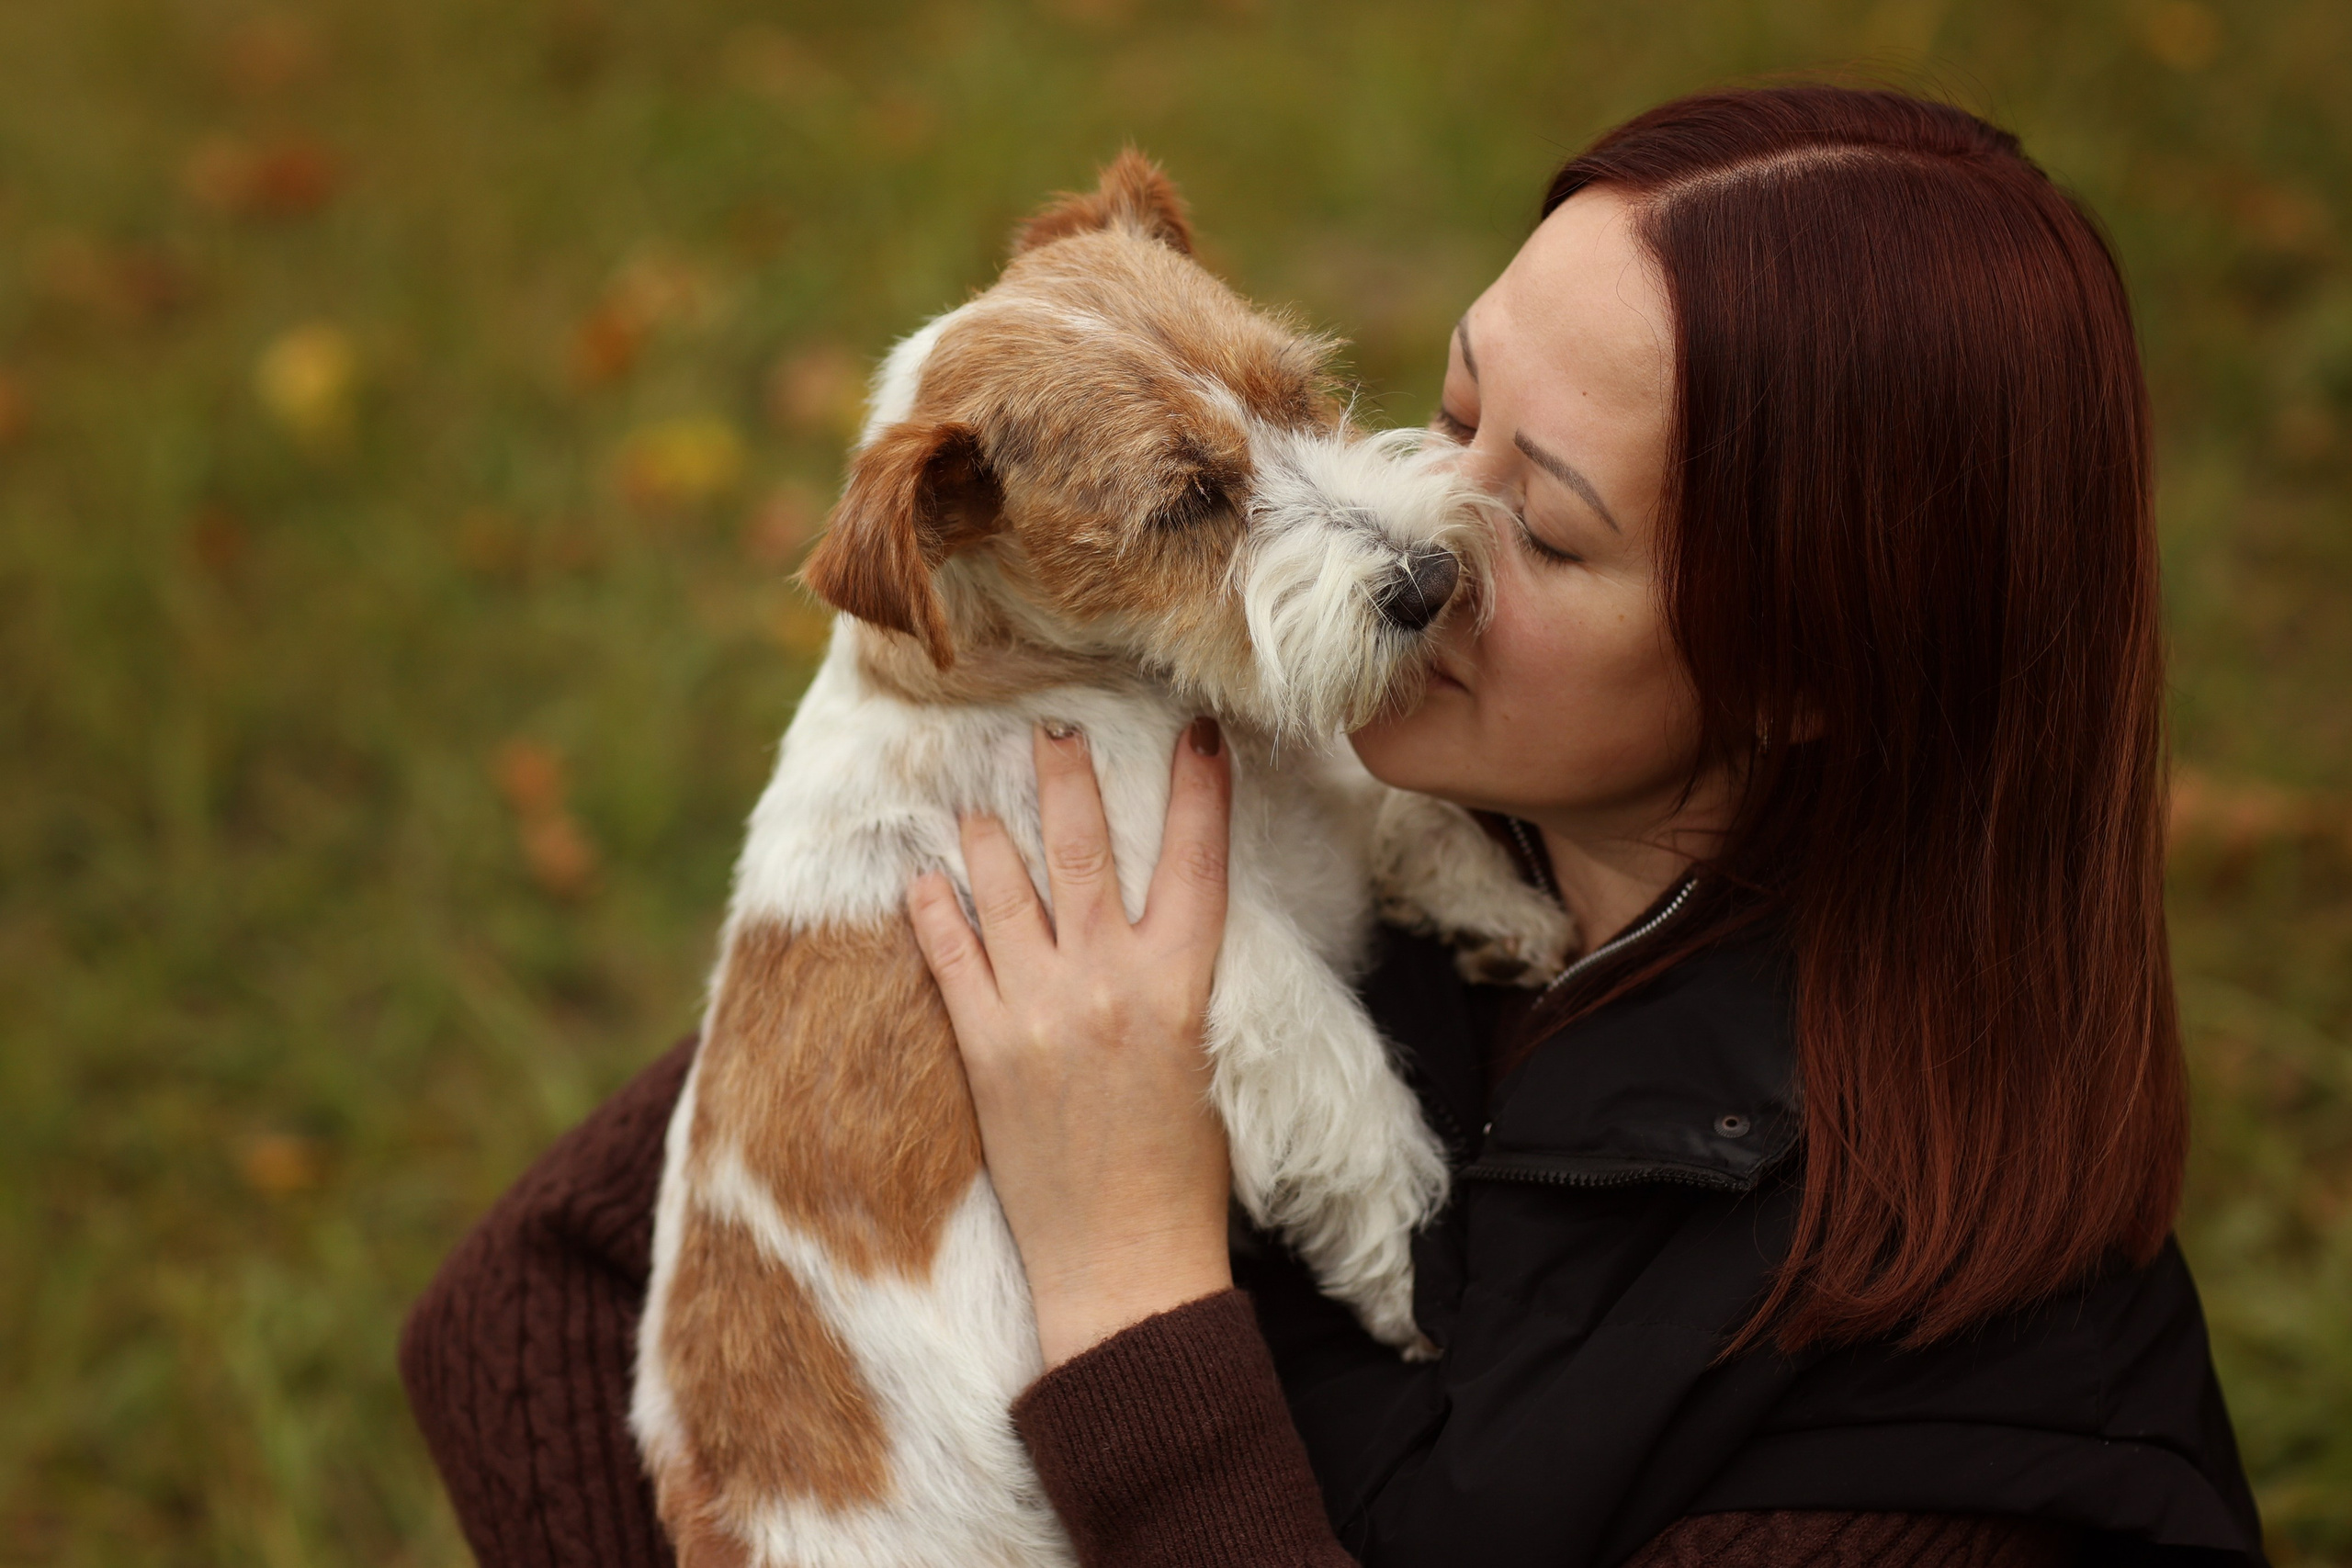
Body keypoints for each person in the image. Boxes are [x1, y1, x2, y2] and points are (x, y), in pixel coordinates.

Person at [400, 85, 2266, 1568]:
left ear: (1802, 668)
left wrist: (1134, 1287)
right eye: (1443, 404)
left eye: (1539, 530)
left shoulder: (1956, 1406)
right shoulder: (1262, 804)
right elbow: (531, 1301)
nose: (1410, 525)